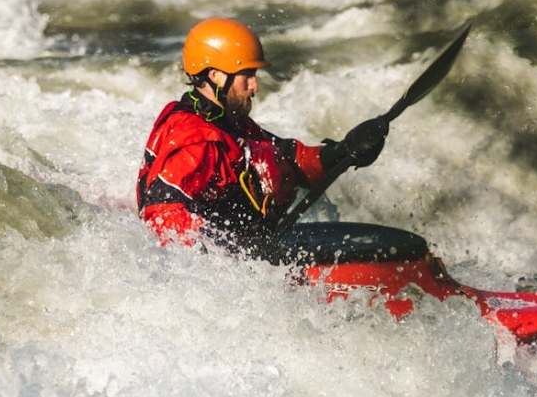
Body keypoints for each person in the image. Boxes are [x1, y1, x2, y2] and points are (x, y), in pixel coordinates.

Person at [136, 17, 387, 257]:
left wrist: (344, 152)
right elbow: (162, 216)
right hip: (225, 269)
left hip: (252, 248)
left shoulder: (226, 121)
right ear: (216, 76)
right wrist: (229, 258)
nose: (255, 86)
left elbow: (291, 158)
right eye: (247, 76)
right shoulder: (198, 141)